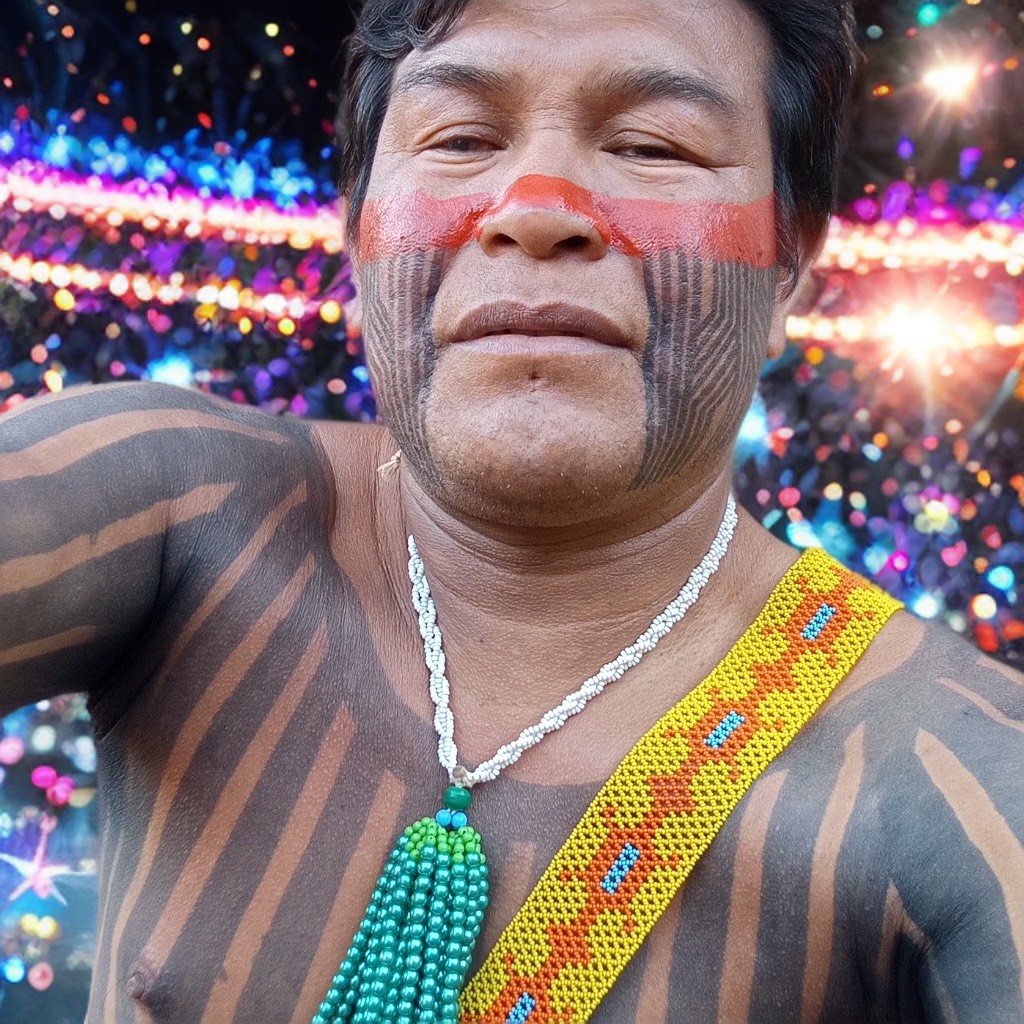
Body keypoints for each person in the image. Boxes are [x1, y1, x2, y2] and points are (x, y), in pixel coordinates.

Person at [2, 0, 1022, 1021]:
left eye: (652, 146)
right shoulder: (182, 505)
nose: (536, 208)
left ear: (787, 259)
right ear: (357, 231)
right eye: (459, 139)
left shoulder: (948, 769)